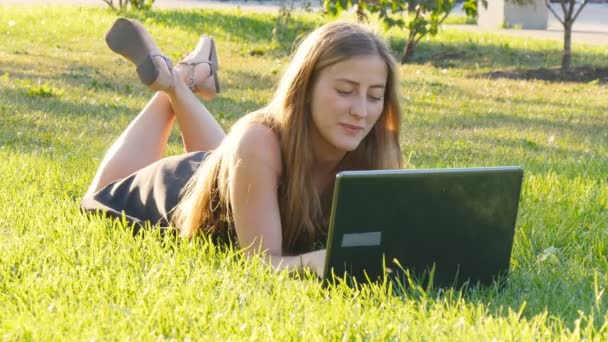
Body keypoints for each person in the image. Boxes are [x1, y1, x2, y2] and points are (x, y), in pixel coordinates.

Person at [81, 18, 403, 278]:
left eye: (375, 96)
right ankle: (175, 79)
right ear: (305, 88)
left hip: (227, 171)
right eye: (345, 91)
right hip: (171, 189)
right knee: (97, 196)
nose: (361, 110)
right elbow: (260, 263)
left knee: (231, 154)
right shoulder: (258, 143)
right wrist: (317, 261)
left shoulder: (374, 148)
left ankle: (184, 75)